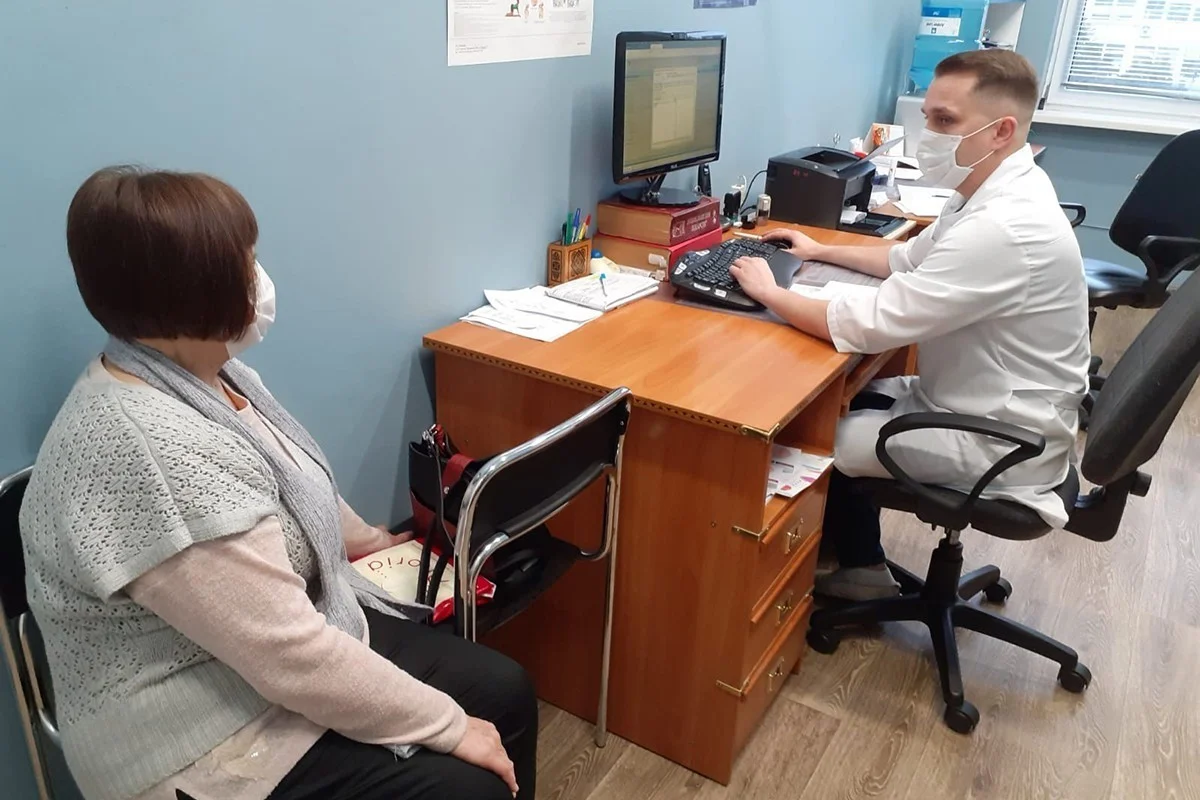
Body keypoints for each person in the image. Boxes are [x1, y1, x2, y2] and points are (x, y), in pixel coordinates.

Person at [19, 166, 537, 800]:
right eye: (245, 262)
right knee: (465, 784)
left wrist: (372, 541)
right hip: (198, 736)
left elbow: (292, 483)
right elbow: (287, 655)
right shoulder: (147, 451)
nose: (259, 278)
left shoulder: (212, 377)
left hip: (272, 649)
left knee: (505, 691)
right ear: (195, 293)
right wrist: (451, 729)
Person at [730, 50, 1090, 601]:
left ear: (1002, 131)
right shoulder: (989, 191)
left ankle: (861, 573)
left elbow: (868, 325)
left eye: (946, 120)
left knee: (810, 440)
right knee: (845, 399)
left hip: (999, 439)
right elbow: (905, 260)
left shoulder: (1004, 226)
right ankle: (858, 556)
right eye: (928, 116)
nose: (930, 134)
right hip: (976, 399)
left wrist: (769, 292)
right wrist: (817, 249)